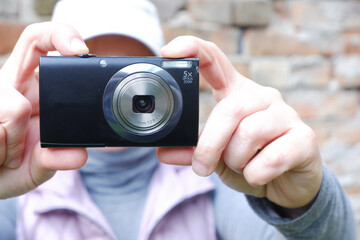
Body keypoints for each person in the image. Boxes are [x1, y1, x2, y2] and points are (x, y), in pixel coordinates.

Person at [0, 0, 356, 239]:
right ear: (58, 76)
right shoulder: (21, 187)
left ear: (165, 76)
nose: (117, 98)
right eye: (91, 71)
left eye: (133, 75)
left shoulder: (213, 177)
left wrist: (306, 208)